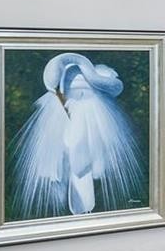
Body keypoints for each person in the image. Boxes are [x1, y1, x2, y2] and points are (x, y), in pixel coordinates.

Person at [9, 52, 145, 218]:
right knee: (70, 154)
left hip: (90, 114)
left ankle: (85, 205)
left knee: (83, 153)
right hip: (78, 114)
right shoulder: (70, 80)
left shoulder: (91, 76)